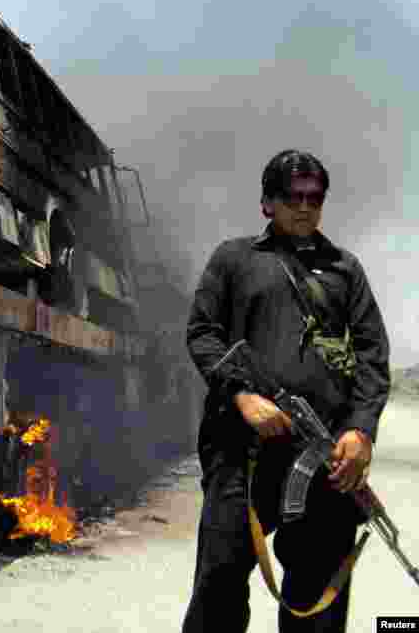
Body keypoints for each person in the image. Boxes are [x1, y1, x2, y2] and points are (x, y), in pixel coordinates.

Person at [181, 149, 391, 632]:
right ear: (267, 203)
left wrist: (360, 432)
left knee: (318, 594)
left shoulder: (345, 269)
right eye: (292, 197)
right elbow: (203, 333)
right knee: (219, 582)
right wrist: (242, 397)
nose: (304, 207)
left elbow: (372, 356)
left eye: (314, 198)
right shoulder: (234, 259)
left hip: (324, 456)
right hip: (243, 450)